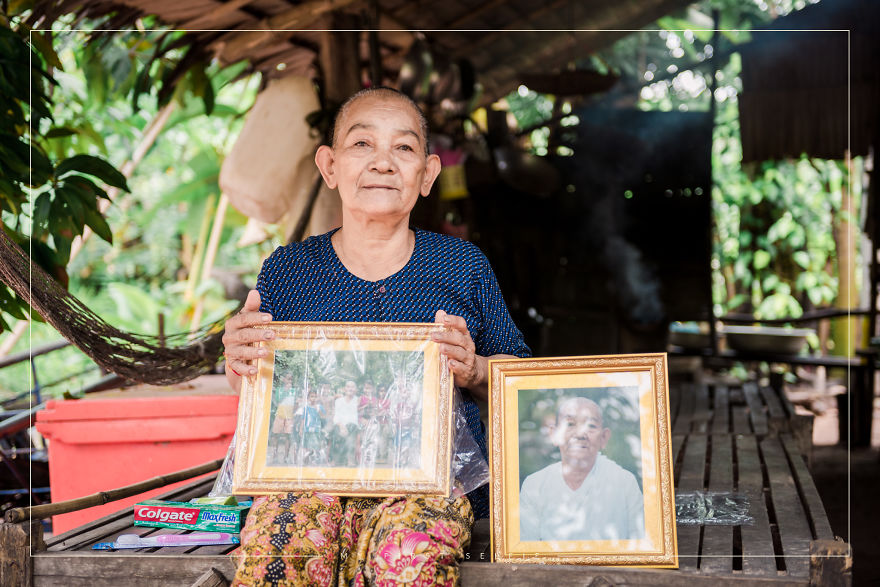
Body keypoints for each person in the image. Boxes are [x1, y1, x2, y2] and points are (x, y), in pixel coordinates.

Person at [222, 86, 530, 586]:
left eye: (403, 148)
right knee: (280, 554)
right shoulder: (288, 270)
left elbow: (520, 381)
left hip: (430, 489)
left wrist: (474, 368)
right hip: (308, 485)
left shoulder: (462, 265)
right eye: (362, 144)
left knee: (408, 560)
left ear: (427, 174)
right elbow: (257, 390)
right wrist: (239, 360)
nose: (383, 163)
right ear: (330, 166)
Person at [519, 397, 645, 542]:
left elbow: (640, 543)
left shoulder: (624, 483)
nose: (579, 434)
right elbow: (526, 548)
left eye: (591, 425)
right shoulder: (535, 485)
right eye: (570, 424)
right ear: (554, 434)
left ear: (604, 437)